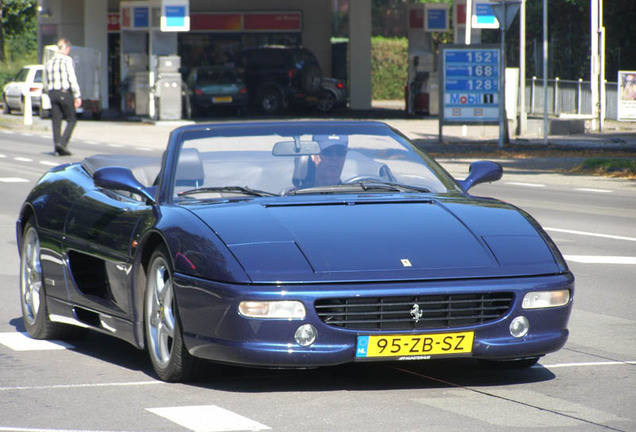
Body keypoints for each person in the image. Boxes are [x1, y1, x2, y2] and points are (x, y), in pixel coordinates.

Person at [45, 38, 82, 156]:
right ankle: (62, 143)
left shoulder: (50, 62)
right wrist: (77, 95)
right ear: (66, 48)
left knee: (56, 120)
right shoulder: (67, 60)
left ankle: (56, 145)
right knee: (71, 119)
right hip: (64, 92)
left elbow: (46, 81)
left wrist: (48, 93)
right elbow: (72, 78)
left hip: (53, 93)